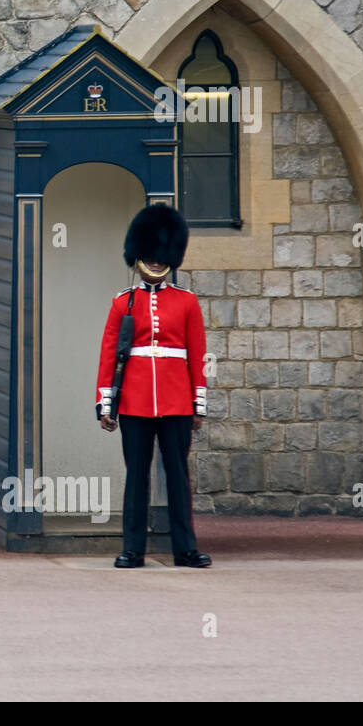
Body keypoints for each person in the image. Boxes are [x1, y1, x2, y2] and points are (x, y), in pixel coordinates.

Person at [95, 204, 211, 569]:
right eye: (152, 255)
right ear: (139, 256)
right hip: (135, 400)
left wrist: (198, 403)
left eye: (163, 256)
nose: (157, 262)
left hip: (177, 401)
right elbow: (109, 356)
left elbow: (197, 355)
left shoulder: (187, 302)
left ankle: (185, 549)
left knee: (178, 476)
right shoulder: (122, 302)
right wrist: (106, 403)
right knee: (137, 478)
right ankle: (133, 548)